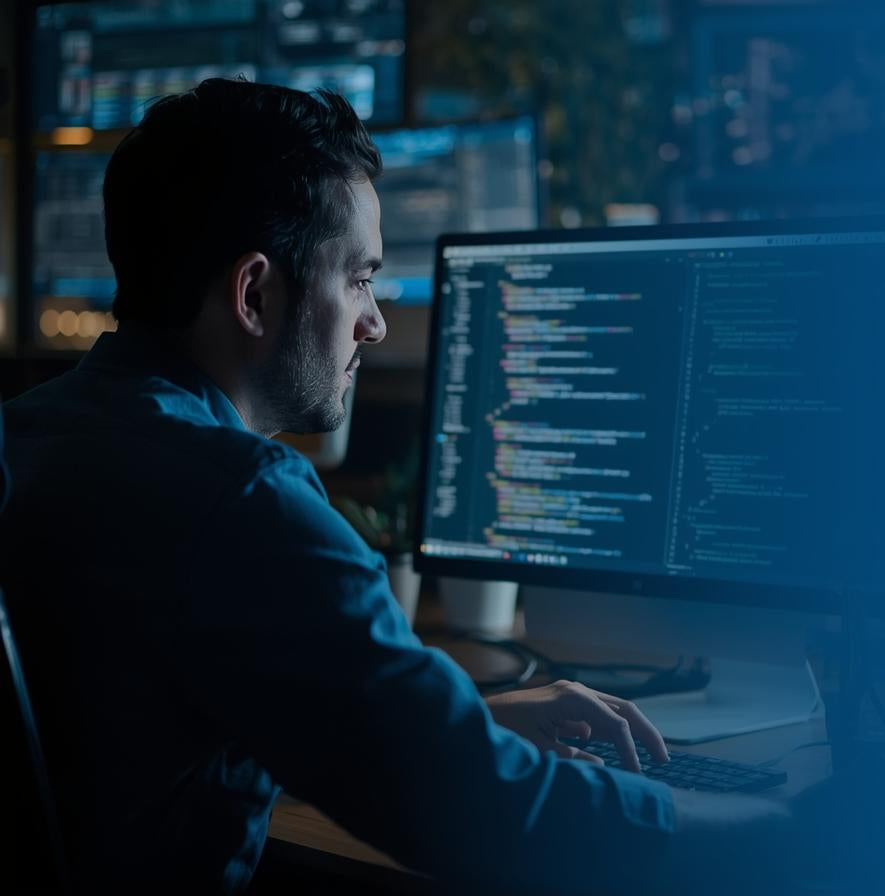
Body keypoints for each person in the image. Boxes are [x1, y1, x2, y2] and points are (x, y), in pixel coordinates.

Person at [0, 79, 791, 894]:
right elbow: (480, 814)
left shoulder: (24, 436)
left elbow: (149, 737)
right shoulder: (240, 499)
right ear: (254, 294)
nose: (373, 322)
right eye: (361, 279)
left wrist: (455, 723)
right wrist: (781, 833)